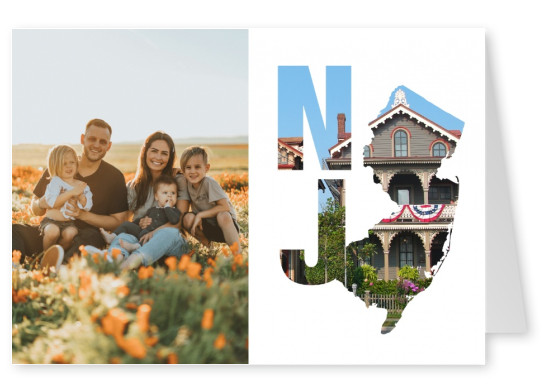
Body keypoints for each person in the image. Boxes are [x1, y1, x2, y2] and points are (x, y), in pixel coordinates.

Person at [12, 119, 128, 272]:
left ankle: (58, 268)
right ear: (82, 139)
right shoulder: (60, 165)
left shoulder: (114, 177)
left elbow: (118, 221)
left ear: (109, 145)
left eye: (102, 141)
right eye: (92, 139)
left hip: (84, 237)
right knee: (13, 231)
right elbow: (36, 208)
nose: (96, 145)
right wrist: (42, 203)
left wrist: (82, 215)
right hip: (51, 232)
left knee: (92, 238)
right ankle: (15, 269)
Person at [91, 131, 189, 270]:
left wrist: (153, 232)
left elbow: (178, 223)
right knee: (124, 235)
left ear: (170, 157)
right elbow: (123, 219)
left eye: (164, 153)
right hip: (140, 240)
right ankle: (110, 261)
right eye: (154, 151)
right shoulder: (134, 186)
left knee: (169, 233)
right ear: (145, 152)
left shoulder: (178, 181)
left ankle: (126, 265)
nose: (158, 157)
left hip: (169, 244)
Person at [180, 146, 241, 253]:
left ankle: (238, 254)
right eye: (188, 167)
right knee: (187, 218)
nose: (192, 171)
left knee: (223, 215)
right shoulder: (187, 184)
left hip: (226, 226)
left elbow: (224, 207)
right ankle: (209, 249)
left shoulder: (209, 183)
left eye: (197, 167)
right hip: (206, 227)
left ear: (206, 168)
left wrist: (200, 215)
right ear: (183, 170)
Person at [101, 175, 181, 254]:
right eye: (165, 193)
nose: (169, 195)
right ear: (156, 196)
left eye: (173, 193)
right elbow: (141, 219)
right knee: (126, 224)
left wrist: (167, 208)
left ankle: (135, 246)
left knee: (148, 240)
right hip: (142, 232)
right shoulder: (152, 210)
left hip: (156, 236)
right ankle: (112, 236)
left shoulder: (175, 211)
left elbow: (174, 220)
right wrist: (138, 223)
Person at [40, 145, 93, 252]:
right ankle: (45, 255)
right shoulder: (55, 182)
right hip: (51, 221)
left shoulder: (81, 185)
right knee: (52, 232)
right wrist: (72, 192)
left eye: (72, 162)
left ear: (77, 164)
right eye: (64, 163)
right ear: (55, 166)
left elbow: (88, 206)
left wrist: (82, 197)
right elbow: (52, 202)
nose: (69, 166)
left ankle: (58, 255)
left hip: (69, 223)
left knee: (71, 233)